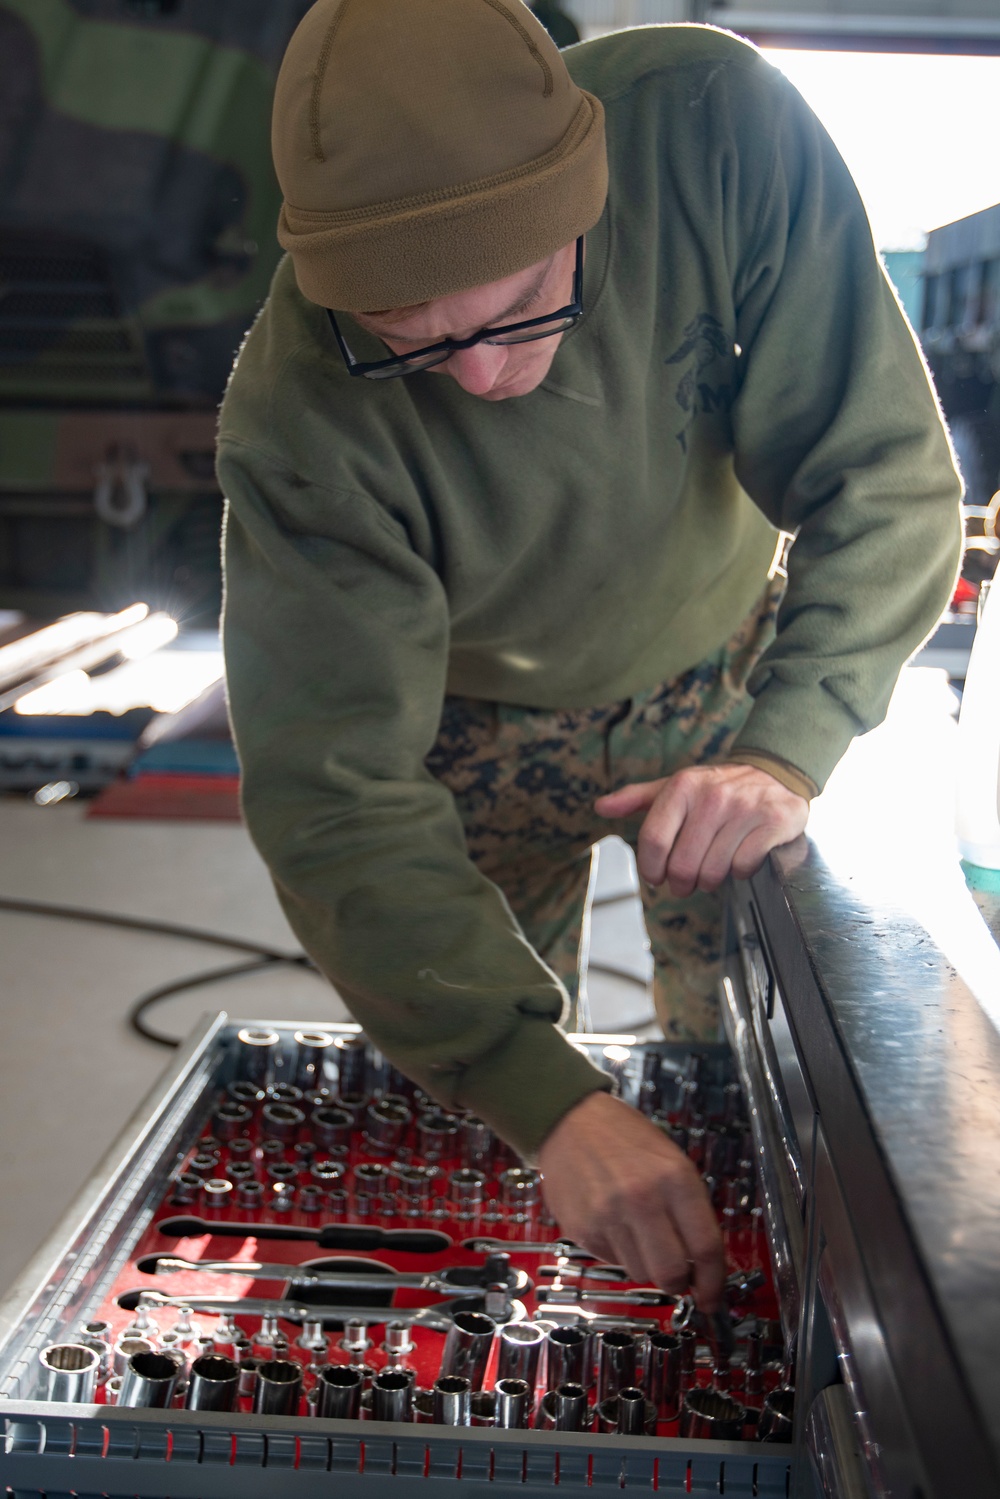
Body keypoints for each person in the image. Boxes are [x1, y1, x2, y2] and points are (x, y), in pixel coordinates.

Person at [218, 0, 962, 1309]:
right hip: (462, 724)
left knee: (760, 1085)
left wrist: (789, 747)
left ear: (589, 197)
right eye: (415, 343)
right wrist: (544, 1102)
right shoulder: (293, 417)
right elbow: (332, 789)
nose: (489, 380)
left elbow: (883, 480)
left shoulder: (712, 130)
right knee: (496, 1131)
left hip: (717, 687)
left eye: (520, 310)